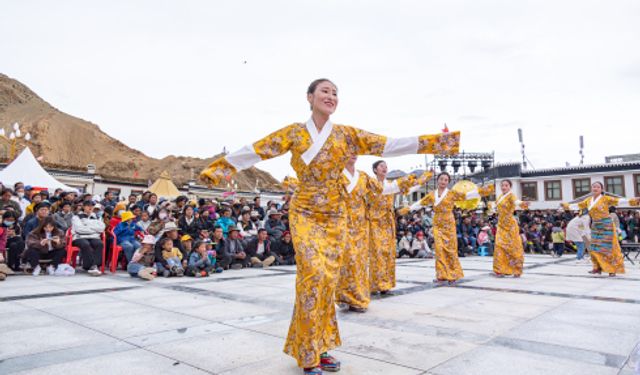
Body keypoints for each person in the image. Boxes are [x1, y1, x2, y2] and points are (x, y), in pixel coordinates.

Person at [200, 78, 459, 374]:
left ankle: (318, 346)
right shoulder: (295, 132)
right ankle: (309, 351)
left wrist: (438, 142)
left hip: (336, 216)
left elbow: (387, 145)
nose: (331, 96)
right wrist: (221, 168)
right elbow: (259, 149)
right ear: (309, 97)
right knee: (313, 274)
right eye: (325, 91)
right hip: (306, 212)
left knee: (326, 281)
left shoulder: (347, 135)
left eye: (335, 93)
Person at [410, 172, 493, 285]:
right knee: (439, 249)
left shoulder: (452, 193)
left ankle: (453, 274)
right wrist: (409, 208)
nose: (443, 182)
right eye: (441, 179)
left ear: (448, 182)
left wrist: (480, 191)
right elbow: (421, 202)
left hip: (448, 223)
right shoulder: (432, 194)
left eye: (446, 180)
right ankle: (441, 275)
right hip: (438, 223)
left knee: (450, 249)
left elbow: (466, 195)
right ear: (438, 180)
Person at [368, 160, 432, 294]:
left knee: (388, 252)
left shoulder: (391, 186)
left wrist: (425, 178)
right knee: (377, 253)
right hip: (374, 221)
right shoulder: (370, 184)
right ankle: (376, 283)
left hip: (388, 222)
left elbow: (409, 188)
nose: (384, 168)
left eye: (386, 166)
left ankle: (386, 283)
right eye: (381, 166)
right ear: (375, 170)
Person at [562, 183, 639, 276]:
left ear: (602, 189)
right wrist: (567, 205)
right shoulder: (588, 200)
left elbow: (619, 201)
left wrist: (633, 200)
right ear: (591, 189)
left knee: (608, 248)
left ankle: (612, 269)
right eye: (594, 187)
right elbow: (578, 205)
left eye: (598, 187)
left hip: (606, 225)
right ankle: (597, 268)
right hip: (595, 226)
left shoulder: (606, 198)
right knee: (594, 248)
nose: (595, 188)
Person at [492, 180, 528, 277]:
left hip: (510, 226)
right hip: (500, 225)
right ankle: (500, 269)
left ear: (510, 187)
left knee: (513, 247)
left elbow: (517, 202)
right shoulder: (499, 197)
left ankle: (516, 269)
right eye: (502, 185)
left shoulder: (511, 195)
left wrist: (522, 203)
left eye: (506, 185)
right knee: (499, 245)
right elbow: (495, 207)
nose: (504, 187)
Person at [71, 200, 105, 276]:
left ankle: (94, 266)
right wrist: (94, 229)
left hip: (93, 237)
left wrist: (87, 225)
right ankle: (90, 266)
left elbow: (102, 228)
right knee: (85, 244)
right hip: (79, 237)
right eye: (88, 205)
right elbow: (79, 229)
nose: (90, 207)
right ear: (84, 207)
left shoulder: (97, 217)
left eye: (92, 206)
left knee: (99, 244)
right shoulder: (76, 217)